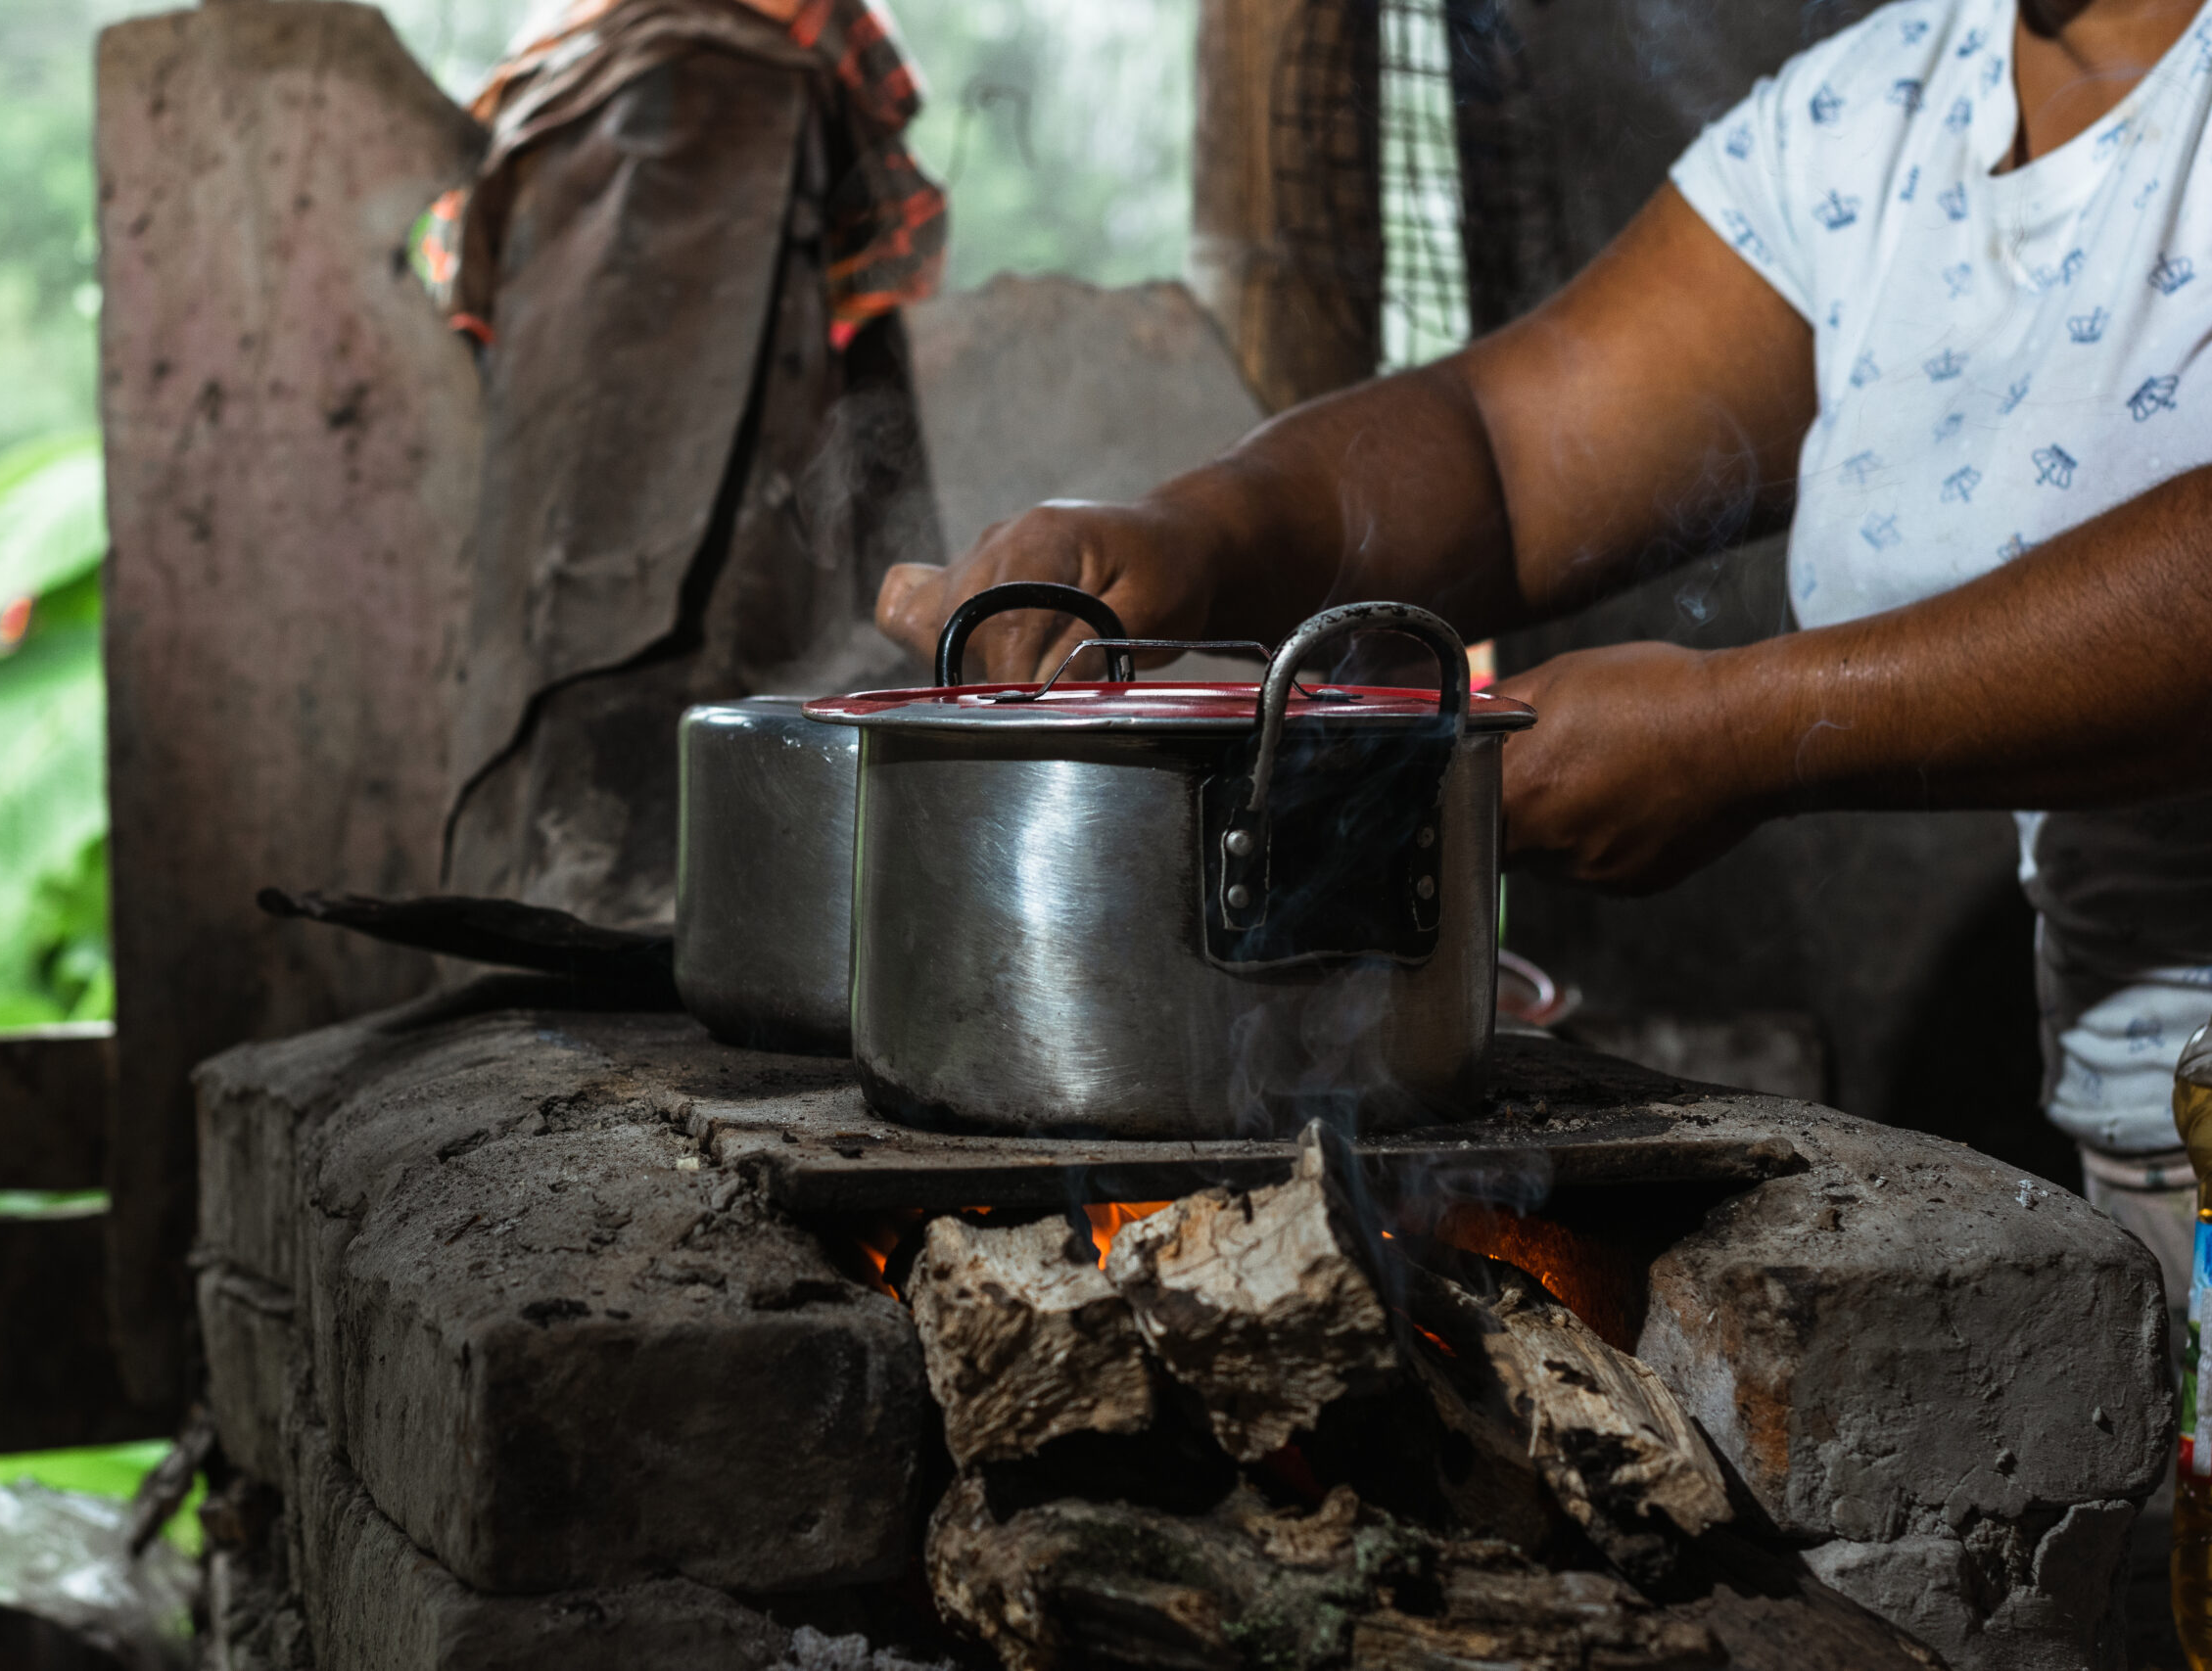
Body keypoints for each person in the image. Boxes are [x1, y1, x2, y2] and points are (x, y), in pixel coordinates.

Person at [875, 0, 2212, 1307]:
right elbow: (1510, 453)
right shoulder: (1886, 109)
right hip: (2149, 1145)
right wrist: (1206, 532)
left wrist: (1737, 733)